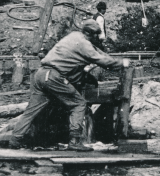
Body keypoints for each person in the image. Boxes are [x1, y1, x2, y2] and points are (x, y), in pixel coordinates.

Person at [9, 20, 130, 151]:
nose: (98, 37)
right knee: (79, 104)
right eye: (97, 35)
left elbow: (97, 52)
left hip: (41, 74)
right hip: (54, 77)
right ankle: (75, 141)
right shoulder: (84, 44)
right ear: (90, 34)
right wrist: (122, 63)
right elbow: (101, 60)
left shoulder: (74, 36)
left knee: (30, 111)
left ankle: (15, 140)